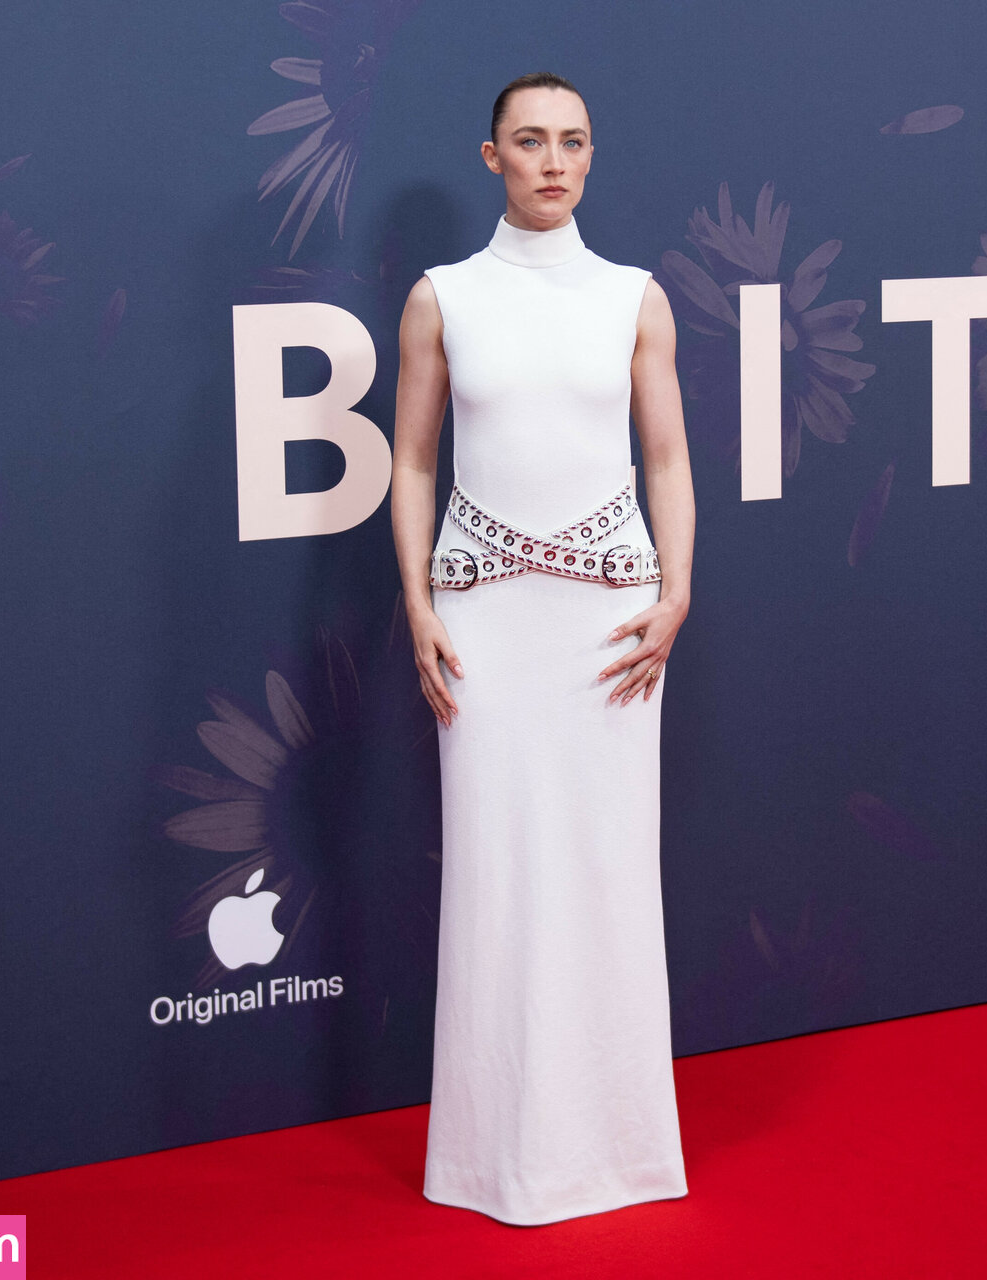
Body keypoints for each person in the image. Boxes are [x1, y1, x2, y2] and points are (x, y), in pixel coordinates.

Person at [389, 71, 696, 1226]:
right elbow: (413, 462)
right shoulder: (442, 299)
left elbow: (665, 459)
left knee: (609, 869)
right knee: (494, 872)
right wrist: (418, 603)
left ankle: (619, 1149)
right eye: (530, 141)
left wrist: (677, 592)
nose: (553, 161)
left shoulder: (635, 299)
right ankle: (491, 1159)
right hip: (482, 619)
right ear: (492, 157)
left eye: (572, 141)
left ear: (591, 154)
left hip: (610, 620)